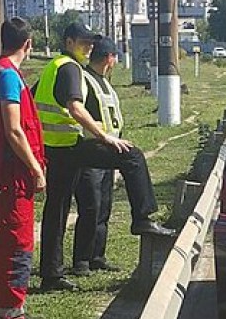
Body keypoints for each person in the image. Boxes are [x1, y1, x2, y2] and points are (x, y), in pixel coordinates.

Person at [35, 22, 174, 292]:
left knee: (57, 209)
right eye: (83, 43)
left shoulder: (53, 67)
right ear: (68, 41)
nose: (89, 48)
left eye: (90, 43)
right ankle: (142, 218)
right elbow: (75, 107)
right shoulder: (70, 68)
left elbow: (30, 97)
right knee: (131, 156)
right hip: (71, 145)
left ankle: (51, 275)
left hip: (55, 147)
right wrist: (105, 137)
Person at [0, 17, 46, 319]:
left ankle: (4, 311)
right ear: (28, 44)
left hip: (4, 172)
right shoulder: (8, 76)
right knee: (18, 245)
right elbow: (14, 130)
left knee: (8, 244)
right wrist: (35, 168)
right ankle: (11, 318)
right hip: (13, 174)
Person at [71, 36, 124, 276]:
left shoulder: (105, 82)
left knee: (104, 207)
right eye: (115, 56)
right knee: (90, 207)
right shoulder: (85, 80)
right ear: (109, 58)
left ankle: (97, 256)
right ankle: (81, 260)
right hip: (91, 153)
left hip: (108, 153)